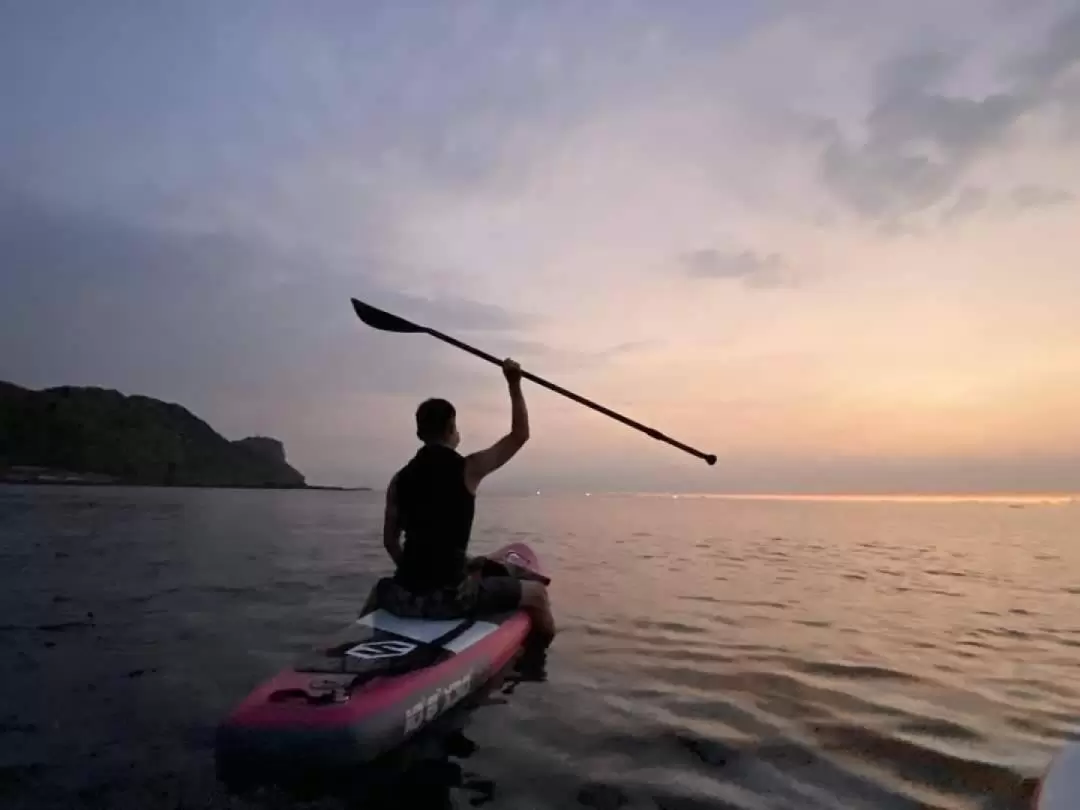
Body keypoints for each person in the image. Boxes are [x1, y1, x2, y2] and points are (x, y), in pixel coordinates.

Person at [369, 357, 555, 645]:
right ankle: (537, 664)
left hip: (401, 594)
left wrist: (419, 578)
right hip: (450, 600)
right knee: (537, 596)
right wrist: (514, 383)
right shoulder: (469, 468)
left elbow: (390, 543)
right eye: (456, 428)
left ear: (419, 433)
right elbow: (520, 435)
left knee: (476, 563)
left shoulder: (398, 480)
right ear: (451, 429)